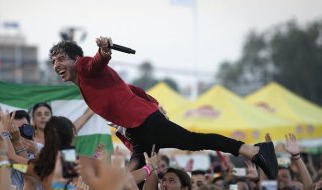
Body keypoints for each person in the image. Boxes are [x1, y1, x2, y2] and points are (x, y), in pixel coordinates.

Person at [48, 37, 278, 179]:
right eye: (53, 62)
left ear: (75, 58)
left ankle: (254, 151)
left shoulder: (85, 67)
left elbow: (96, 61)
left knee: (194, 141)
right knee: (130, 183)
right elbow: (131, 88)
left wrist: (104, 52)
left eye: (60, 59)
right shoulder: (90, 83)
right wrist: (154, 104)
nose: (56, 65)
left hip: (146, 125)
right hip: (140, 130)